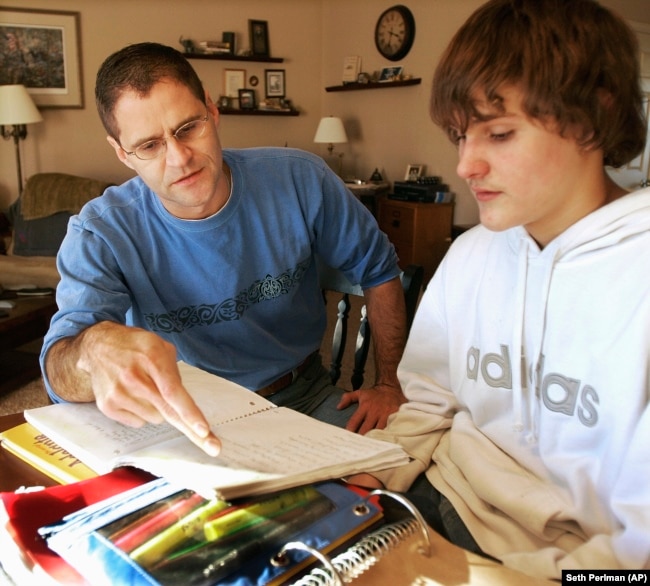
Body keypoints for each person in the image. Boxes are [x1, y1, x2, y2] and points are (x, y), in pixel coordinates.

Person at [348, 0, 649, 579]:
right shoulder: (472, 255)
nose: (465, 165)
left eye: (500, 134)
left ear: (593, 115)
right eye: (461, 136)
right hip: (428, 500)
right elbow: (427, 405)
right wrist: (371, 475)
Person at [40, 42, 408, 457]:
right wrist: (91, 349)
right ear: (122, 153)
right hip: (180, 417)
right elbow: (57, 372)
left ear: (212, 112)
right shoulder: (100, 231)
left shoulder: (301, 179)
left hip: (304, 398)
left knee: (397, 481)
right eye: (149, 146)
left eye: (188, 128)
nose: (180, 159)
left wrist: (390, 384)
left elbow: (379, 270)